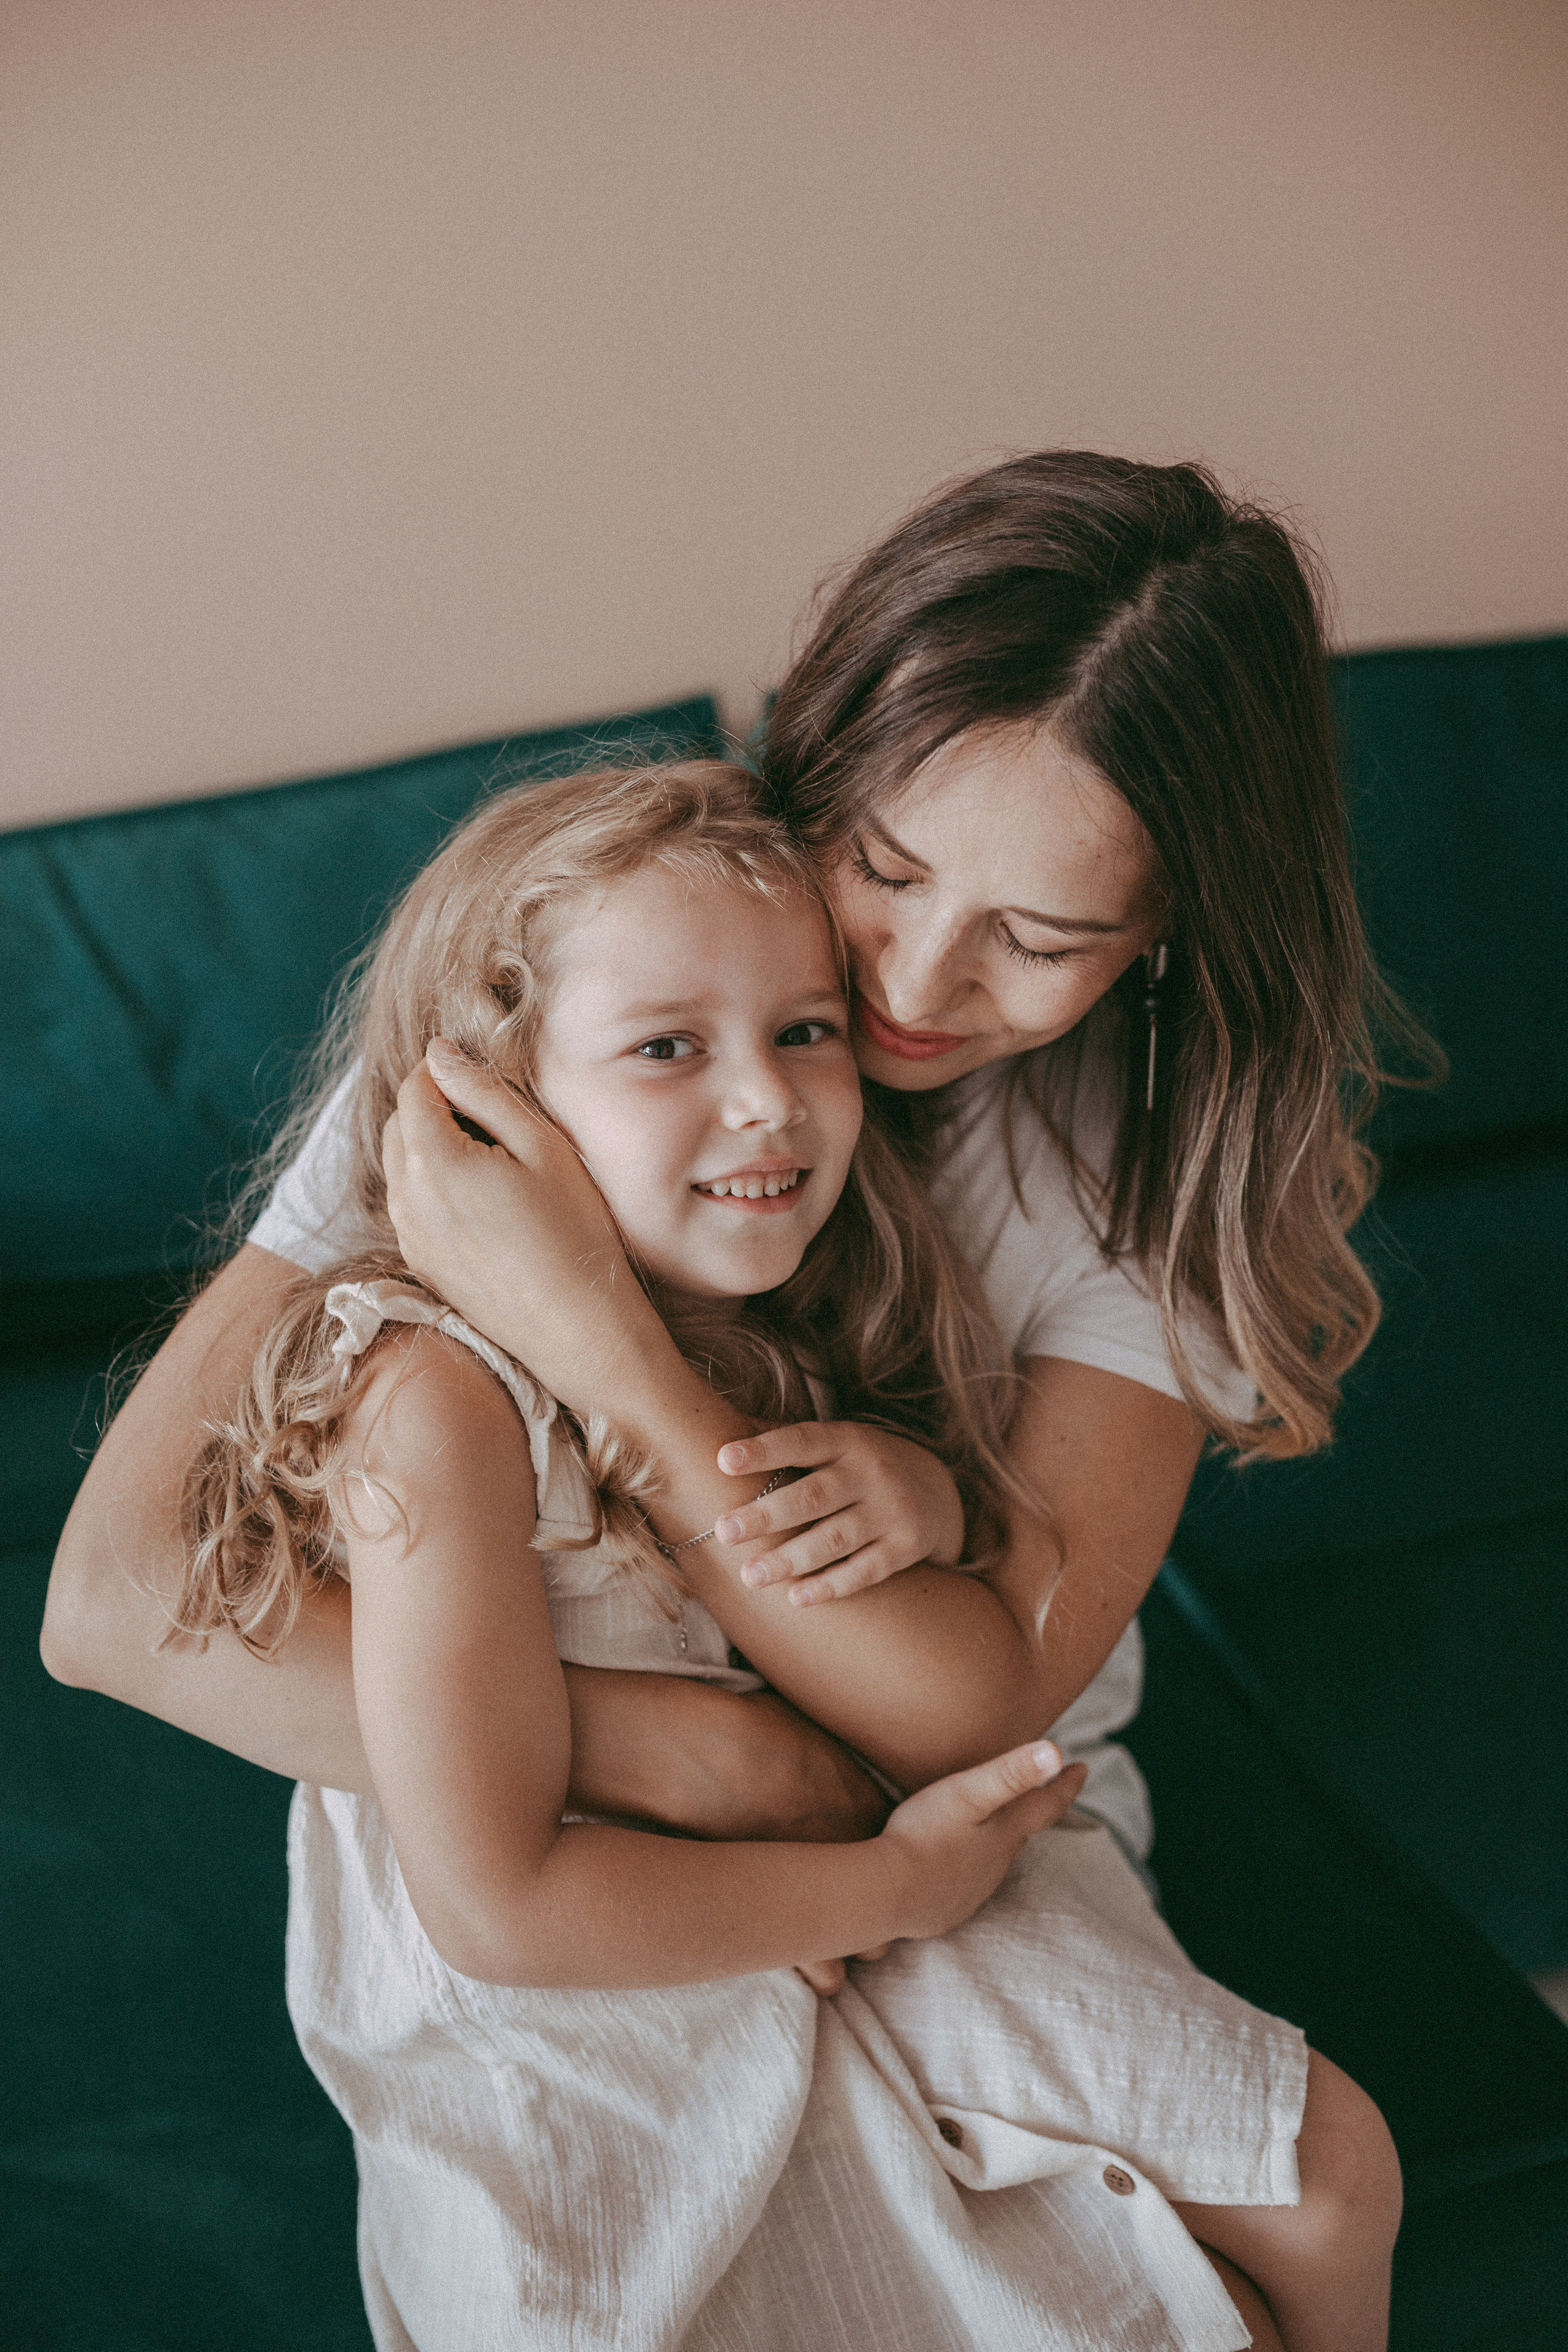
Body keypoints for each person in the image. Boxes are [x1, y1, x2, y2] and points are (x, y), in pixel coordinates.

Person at [45, 451, 1408, 2347]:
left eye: (1039, 937)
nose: (916, 981)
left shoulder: (1136, 1175)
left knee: (1299, 2192)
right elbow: (115, 1604)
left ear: (1172, 930)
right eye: (895, 869)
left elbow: (961, 1710)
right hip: (589, 1779)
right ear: (820, 764)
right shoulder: (574, 992)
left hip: (960, 1788)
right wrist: (664, 1751)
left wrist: (608, 1351)